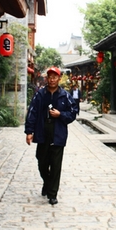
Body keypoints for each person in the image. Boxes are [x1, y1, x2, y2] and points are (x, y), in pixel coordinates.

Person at [25, 66, 76, 205]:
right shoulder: (40, 94)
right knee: (41, 161)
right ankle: (47, 183)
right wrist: (29, 131)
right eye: (50, 77)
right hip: (42, 131)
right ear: (47, 78)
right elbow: (32, 112)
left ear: (59, 79)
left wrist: (61, 114)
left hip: (58, 132)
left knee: (55, 165)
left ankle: (52, 194)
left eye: (55, 77)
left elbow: (73, 112)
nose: (52, 79)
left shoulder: (65, 95)